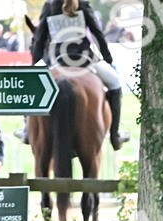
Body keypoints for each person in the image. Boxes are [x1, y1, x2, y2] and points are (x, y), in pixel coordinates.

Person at [29, 0, 129, 150]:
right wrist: (107, 59)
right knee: (115, 84)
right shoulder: (82, 4)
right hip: (84, 59)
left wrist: (35, 62)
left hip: (56, 59)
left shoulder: (49, 5)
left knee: (29, 84)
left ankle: (26, 130)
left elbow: (40, 37)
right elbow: (97, 32)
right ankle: (115, 135)